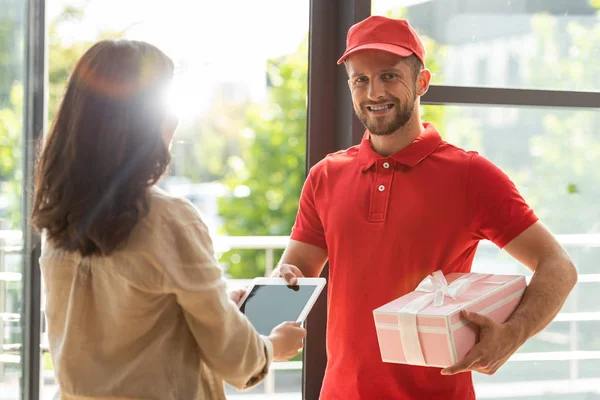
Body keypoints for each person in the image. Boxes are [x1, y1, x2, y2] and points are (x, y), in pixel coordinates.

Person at [273, 16, 578, 400]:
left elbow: (559, 266)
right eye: (360, 80)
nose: (373, 92)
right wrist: (277, 291)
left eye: (389, 76)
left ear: (421, 82)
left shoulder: (470, 175)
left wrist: (511, 335)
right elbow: (296, 270)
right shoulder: (326, 176)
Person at [31, 39, 306, 400]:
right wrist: (274, 345)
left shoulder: (59, 217)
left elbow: (125, 319)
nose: (174, 119)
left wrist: (218, 305)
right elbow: (237, 360)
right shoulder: (167, 219)